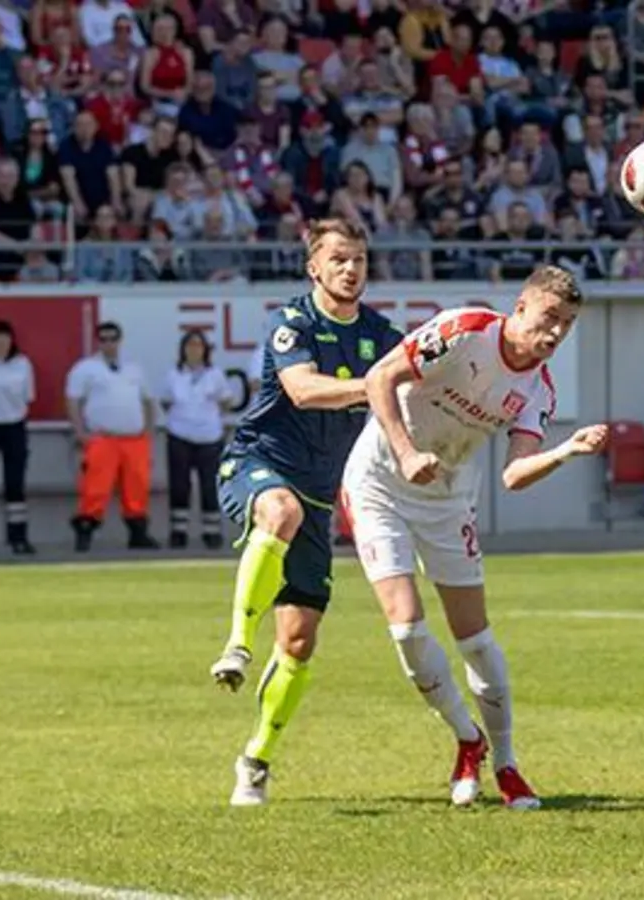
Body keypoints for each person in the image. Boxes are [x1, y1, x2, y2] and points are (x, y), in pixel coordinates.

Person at [344, 266, 607, 811]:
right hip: (378, 484)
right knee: (407, 630)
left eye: (568, 324)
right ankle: (468, 739)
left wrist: (566, 451)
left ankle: (507, 765)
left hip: (447, 500)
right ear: (521, 307)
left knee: (476, 640)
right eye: (549, 318)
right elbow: (378, 379)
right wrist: (406, 451)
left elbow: (513, 475)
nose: (556, 333)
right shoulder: (462, 330)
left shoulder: (538, 387)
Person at [208, 219, 401, 806]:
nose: (351, 269)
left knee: (297, 643)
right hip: (257, 464)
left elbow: (415, 391)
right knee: (280, 511)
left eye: (360, 260)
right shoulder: (290, 323)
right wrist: (376, 385)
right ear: (313, 267)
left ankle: (256, 759)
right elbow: (302, 390)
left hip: (322, 496)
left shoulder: (381, 335)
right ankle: (237, 642)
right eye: (339, 259)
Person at [65, 321, 160, 552]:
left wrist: (148, 430)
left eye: (112, 339)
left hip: (134, 438)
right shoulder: (85, 368)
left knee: (137, 486)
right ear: (98, 342)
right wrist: (80, 431)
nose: (108, 343)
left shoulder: (133, 368)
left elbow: (148, 400)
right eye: (104, 339)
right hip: (103, 438)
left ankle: (138, 532)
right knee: (95, 487)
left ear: (119, 340)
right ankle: (85, 528)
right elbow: (72, 400)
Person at [161, 329, 234, 549]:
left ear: (205, 350)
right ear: (183, 350)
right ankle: (178, 531)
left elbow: (227, 402)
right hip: (179, 435)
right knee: (179, 485)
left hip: (209, 437)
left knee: (209, 486)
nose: (194, 350)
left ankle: (211, 532)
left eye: (198, 345)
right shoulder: (173, 375)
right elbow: (165, 402)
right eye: (190, 345)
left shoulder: (215, 374)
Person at [0, 320, 37, 554]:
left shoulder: (22, 364)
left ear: (12, 341)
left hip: (14, 427)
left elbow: (28, 397)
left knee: (15, 484)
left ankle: (18, 537)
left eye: (5, 338)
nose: (0, 343)